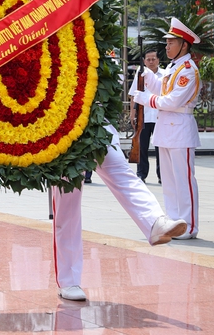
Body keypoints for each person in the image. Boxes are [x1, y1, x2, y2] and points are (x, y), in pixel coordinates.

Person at [52, 123, 187, 301]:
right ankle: (69, 281)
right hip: (63, 127)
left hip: (98, 123)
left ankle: (155, 221)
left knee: (121, 171)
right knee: (67, 205)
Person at [134, 17, 202, 240]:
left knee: (184, 181)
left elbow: (172, 101)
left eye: (171, 42)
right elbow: (163, 90)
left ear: (184, 45)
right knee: (171, 183)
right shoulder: (174, 68)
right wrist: (150, 77)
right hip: (167, 129)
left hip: (180, 129)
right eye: (167, 42)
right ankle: (174, 222)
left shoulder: (188, 70)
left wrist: (146, 99)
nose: (167, 46)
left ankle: (189, 225)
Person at [129, 50, 162, 183]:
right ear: (144, 61)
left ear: (158, 60)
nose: (151, 61)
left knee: (161, 148)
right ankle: (141, 174)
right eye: (148, 59)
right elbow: (134, 94)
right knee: (142, 146)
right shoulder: (140, 74)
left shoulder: (165, 74)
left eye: (153, 59)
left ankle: (162, 175)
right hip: (144, 115)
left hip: (160, 116)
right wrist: (132, 113)